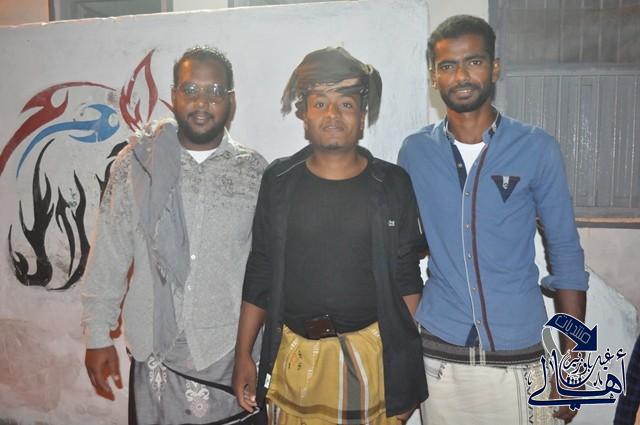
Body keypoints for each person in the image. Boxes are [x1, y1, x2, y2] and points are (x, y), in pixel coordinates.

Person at [398, 15, 589, 425]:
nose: (461, 75)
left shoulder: (536, 148)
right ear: (433, 76)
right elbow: (406, 248)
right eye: (448, 65)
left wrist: (573, 367)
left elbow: (566, 255)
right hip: (440, 362)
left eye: (474, 61)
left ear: (495, 67)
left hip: (519, 359)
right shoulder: (414, 152)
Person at [232, 47, 428, 425]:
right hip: (293, 358)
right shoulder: (278, 182)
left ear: (362, 115)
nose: (333, 114)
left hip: (370, 358)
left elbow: (407, 279)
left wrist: (405, 371)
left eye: (346, 104)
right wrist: (243, 355)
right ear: (304, 115)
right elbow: (261, 269)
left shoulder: (392, 184)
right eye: (320, 103)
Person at [82, 46, 267, 424]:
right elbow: (109, 253)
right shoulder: (136, 164)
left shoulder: (253, 172)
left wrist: (251, 352)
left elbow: (263, 269)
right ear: (174, 95)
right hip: (154, 356)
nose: (202, 101)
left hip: (227, 355)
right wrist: (97, 336)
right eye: (190, 89)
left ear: (231, 101)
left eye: (215, 91)